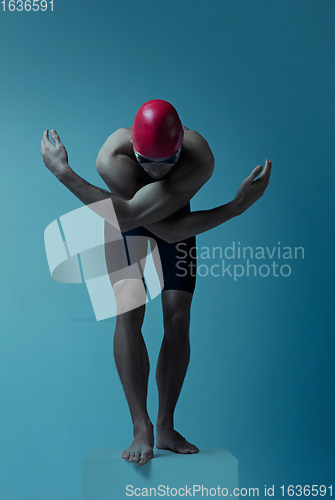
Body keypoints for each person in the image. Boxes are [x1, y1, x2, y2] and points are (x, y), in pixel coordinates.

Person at [40, 99, 272, 466]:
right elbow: (133, 216)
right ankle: (141, 428)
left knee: (178, 315)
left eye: (167, 162)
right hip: (124, 221)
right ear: (134, 151)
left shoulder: (200, 158)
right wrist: (64, 173)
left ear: (180, 148)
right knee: (128, 309)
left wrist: (235, 207)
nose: (158, 170)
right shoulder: (111, 157)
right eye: (148, 162)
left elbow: (171, 227)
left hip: (172, 217)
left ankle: (165, 426)